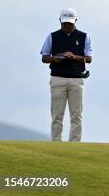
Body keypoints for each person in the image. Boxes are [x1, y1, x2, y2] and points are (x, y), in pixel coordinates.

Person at [40, 8, 93, 142]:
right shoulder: (52, 36)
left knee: (76, 116)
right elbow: (44, 57)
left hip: (76, 79)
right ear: (60, 21)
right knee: (57, 116)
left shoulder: (84, 36)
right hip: (58, 79)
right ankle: (56, 143)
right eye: (65, 23)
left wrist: (74, 57)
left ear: (75, 21)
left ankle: (74, 145)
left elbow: (89, 59)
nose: (67, 26)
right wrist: (55, 58)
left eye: (70, 23)